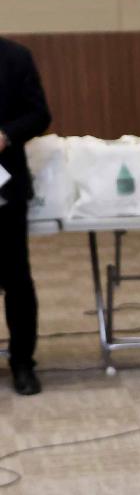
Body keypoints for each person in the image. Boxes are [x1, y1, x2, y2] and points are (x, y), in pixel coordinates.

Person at [0, 35, 52, 395]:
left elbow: (39, 115)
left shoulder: (15, 57)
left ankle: (22, 363)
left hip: (5, 186)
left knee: (17, 280)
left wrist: (6, 135)